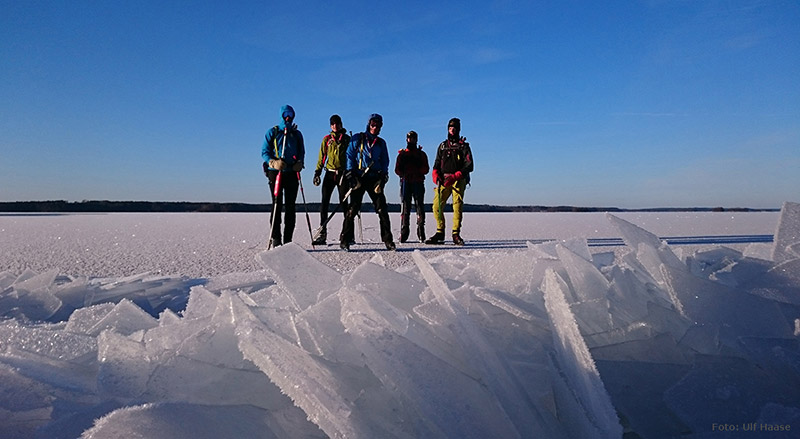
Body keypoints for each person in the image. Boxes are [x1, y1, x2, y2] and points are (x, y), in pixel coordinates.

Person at [340, 113, 396, 251]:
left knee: (382, 209)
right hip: (359, 176)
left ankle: (388, 240)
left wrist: (382, 179)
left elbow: (385, 161)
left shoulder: (381, 143)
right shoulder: (358, 138)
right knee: (352, 209)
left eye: (378, 125)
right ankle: (345, 240)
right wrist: (350, 174)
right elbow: (349, 155)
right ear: (368, 124)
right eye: (373, 124)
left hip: (374, 178)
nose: (375, 127)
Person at [262, 105, 304, 248]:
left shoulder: (296, 134)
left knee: (291, 207)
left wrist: (299, 163)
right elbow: (265, 152)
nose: (288, 118)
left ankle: (288, 241)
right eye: (286, 115)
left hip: (292, 172)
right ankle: (276, 239)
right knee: (276, 205)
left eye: (290, 115)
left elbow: (301, 152)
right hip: (276, 173)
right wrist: (272, 162)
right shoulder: (273, 132)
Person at [426, 117, 473, 245]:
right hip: (444, 180)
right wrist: (435, 173)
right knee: (437, 206)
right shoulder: (442, 146)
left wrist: (456, 175)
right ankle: (440, 232)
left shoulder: (463, 146)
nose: (452, 130)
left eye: (454, 128)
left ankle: (455, 234)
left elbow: (469, 165)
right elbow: (436, 163)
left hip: (458, 180)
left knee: (457, 207)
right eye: (450, 128)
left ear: (458, 130)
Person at [311, 114, 351, 245]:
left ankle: (348, 233)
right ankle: (322, 233)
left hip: (343, 174)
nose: (335, 126)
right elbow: (322, 156)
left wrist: (352, 172)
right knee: (324, 204)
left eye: (337, 123)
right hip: (329, 173)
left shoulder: (346, 139)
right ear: (330, 126)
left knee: (344, 204)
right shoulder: (327, 140)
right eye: (333, 124)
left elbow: (351, 157)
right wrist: (317, 172)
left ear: (341, 124)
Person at [394, 130, 429, 243]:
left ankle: (421, 231)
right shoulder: (402, 154)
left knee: (420, 207)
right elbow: (397, 169)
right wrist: (403, 172)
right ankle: (404, 231)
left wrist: (417, 170)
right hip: (406, 182)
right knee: (405, 207)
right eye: (410, 138)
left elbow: (426, 169)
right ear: (407, 139)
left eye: (413, 138)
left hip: (418, 182)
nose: (411, 140)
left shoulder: (421, 154)